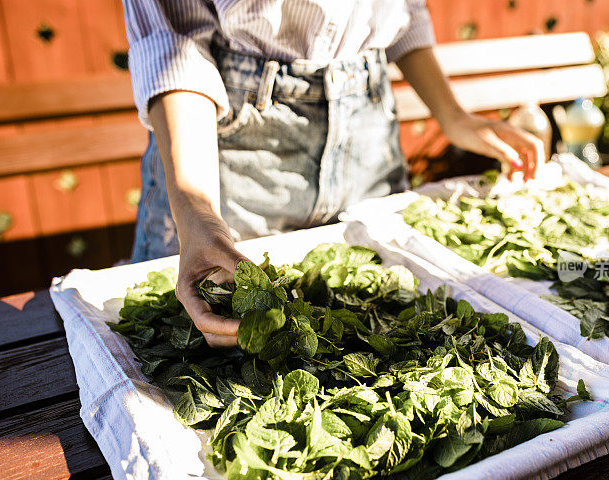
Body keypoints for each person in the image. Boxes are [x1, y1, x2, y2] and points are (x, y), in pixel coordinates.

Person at [122, 0, 544, 347]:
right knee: (202, 339)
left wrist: (451, 115)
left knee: (384, 331)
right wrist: (197, 210)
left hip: (368, 129)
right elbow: (173, 40)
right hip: (224, 147)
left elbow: (401, 9)